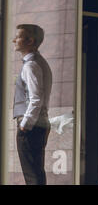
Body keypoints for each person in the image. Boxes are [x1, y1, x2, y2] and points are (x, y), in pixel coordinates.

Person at [12, 24, 52, 185]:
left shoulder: (31, 65)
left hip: (31, 127)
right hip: (38, 125)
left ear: (30, 41)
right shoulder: (39, 62)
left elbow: (36, 99)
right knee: (36, 174)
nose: (14, 40)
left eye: (19, 37)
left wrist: (24, 124)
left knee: (32, 176)